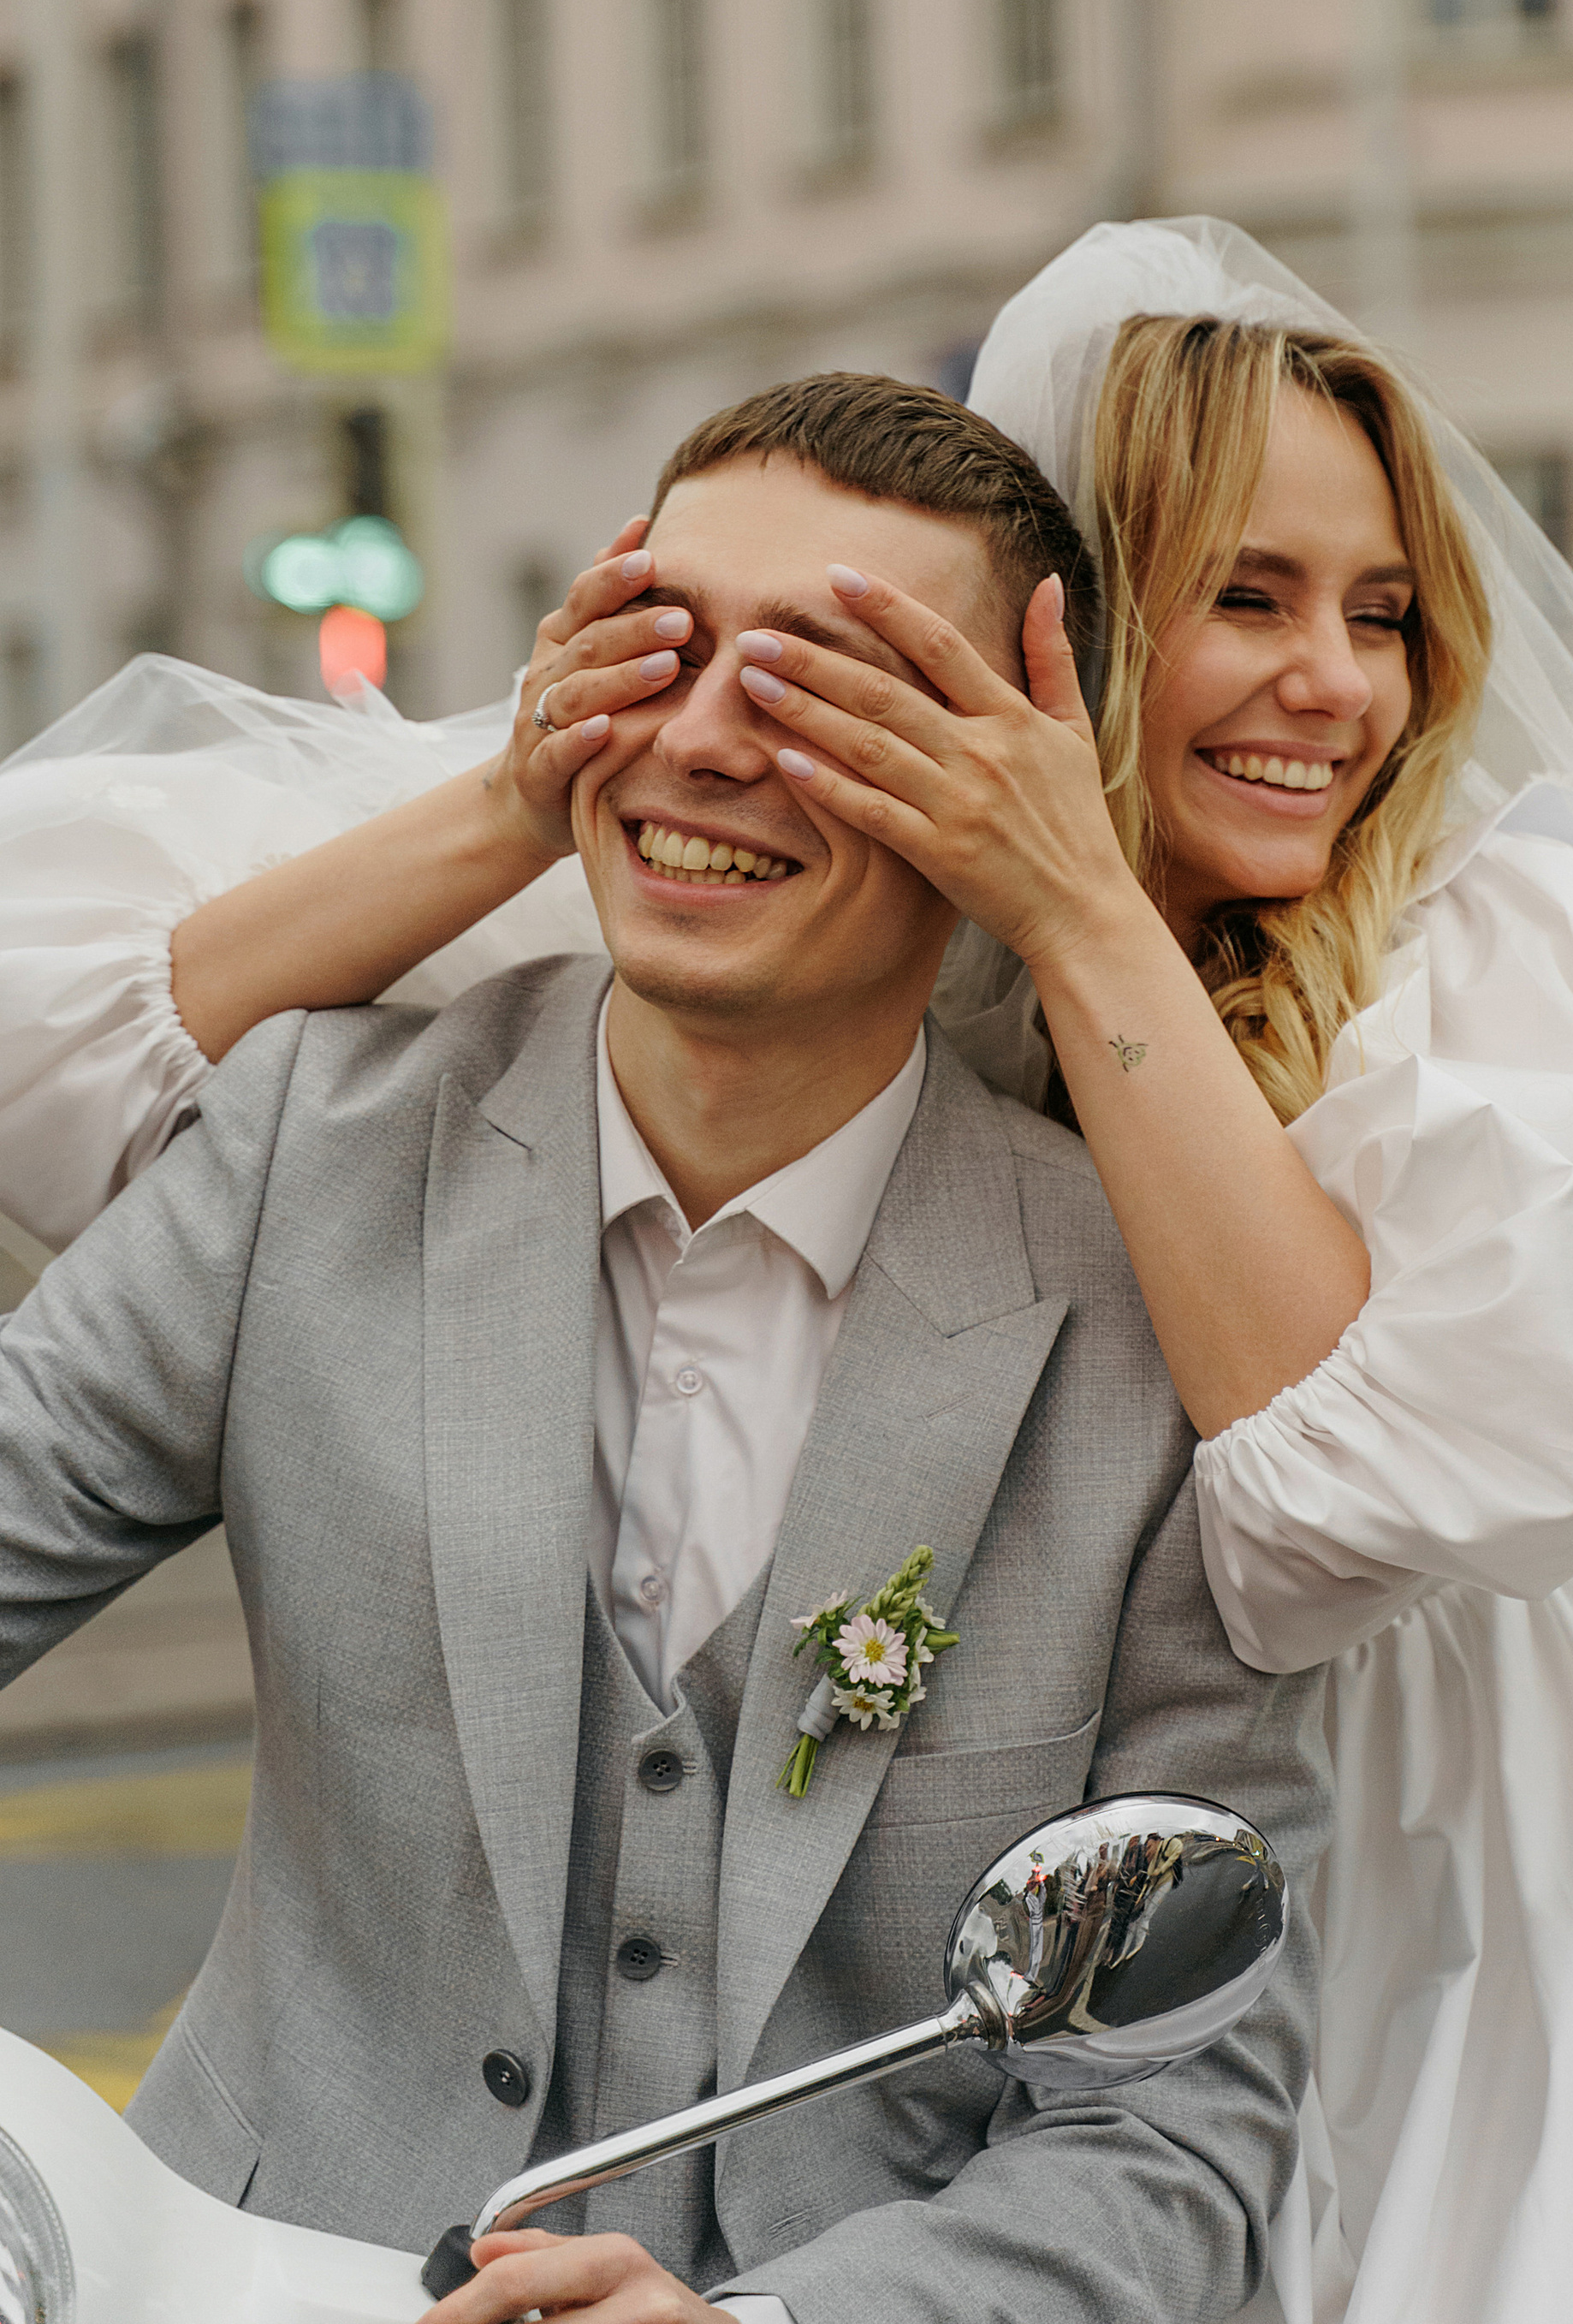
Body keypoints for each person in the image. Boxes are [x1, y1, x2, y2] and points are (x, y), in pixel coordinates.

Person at [0, 216, 1573, 2322]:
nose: (1328, 682)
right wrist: (515, 797)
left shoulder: (1402, 1039)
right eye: (1248, 597)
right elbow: (97, 1043)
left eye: (1384, 612)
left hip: (1448, 1853)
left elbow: (1321, 1512)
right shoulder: (431, 1069)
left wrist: (1060, 895)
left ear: (1021, 708)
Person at [0, 371, 1330, 2324]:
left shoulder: (1160, 1330)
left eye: (824, 686)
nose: (704, 743)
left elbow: (1176, 2120)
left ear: (1001, 780)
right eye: (661, 648)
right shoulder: (312, 1147)